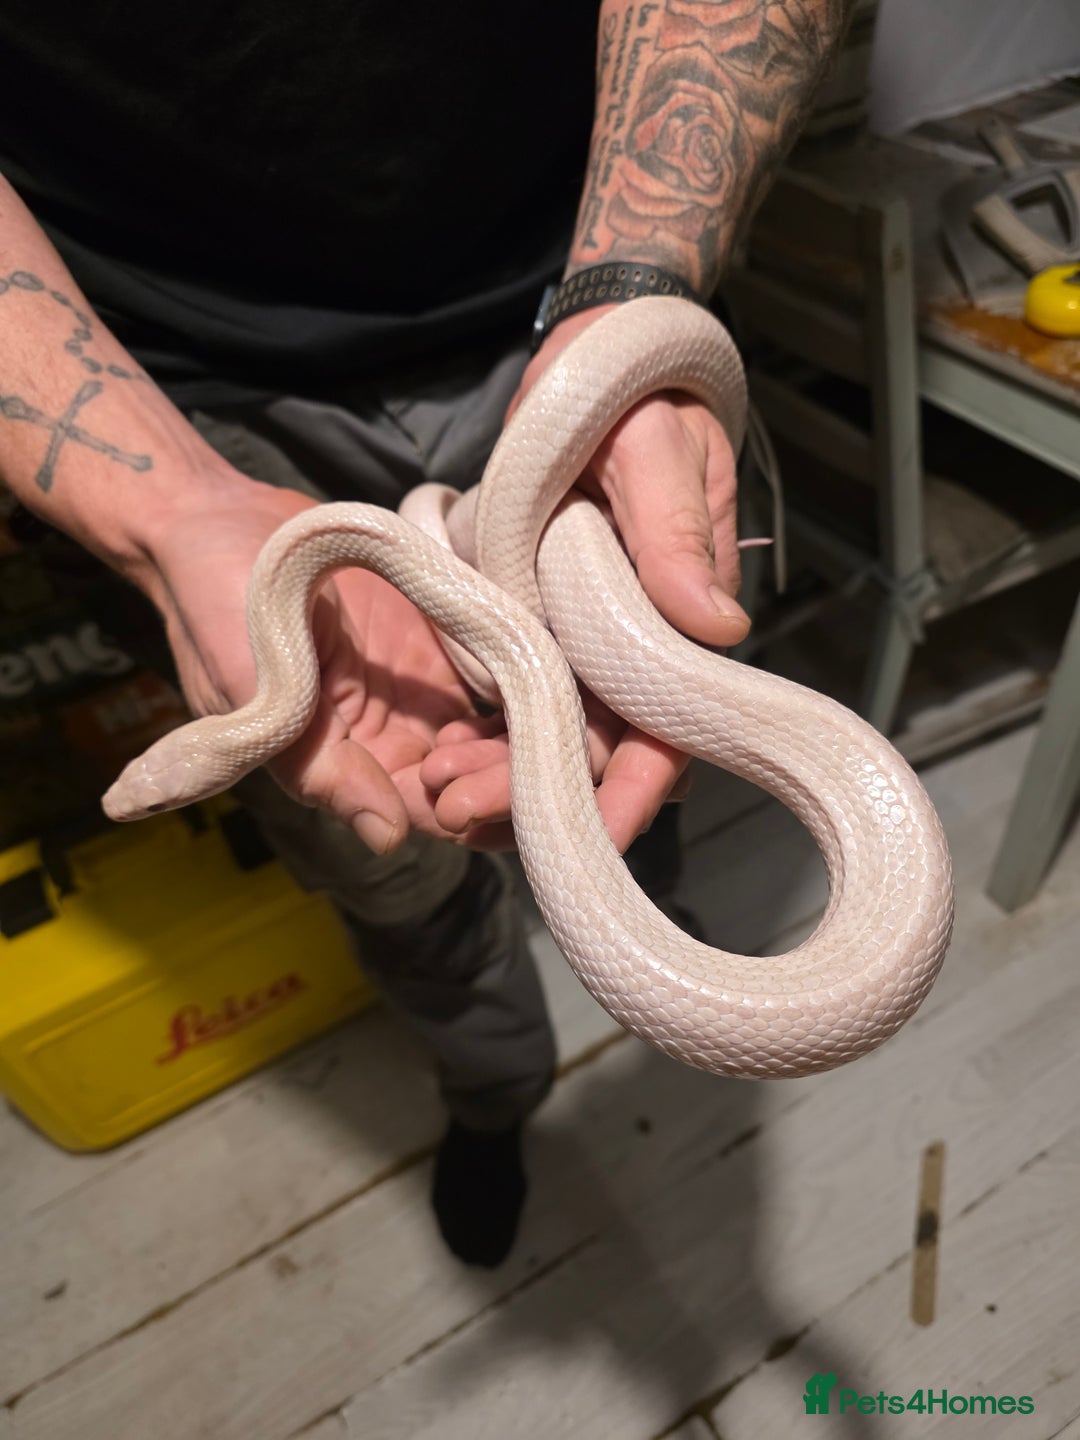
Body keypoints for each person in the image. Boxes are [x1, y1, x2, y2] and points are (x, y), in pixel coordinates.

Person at [0, 0, 854, 1264]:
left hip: (576, 270)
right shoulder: (287, 592)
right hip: (182, 387)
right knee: (390, 851)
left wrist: (627, 307)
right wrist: (168, 511)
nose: (152, 789)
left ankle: (638, 910)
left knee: (641, 720)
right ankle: (496, 1092)